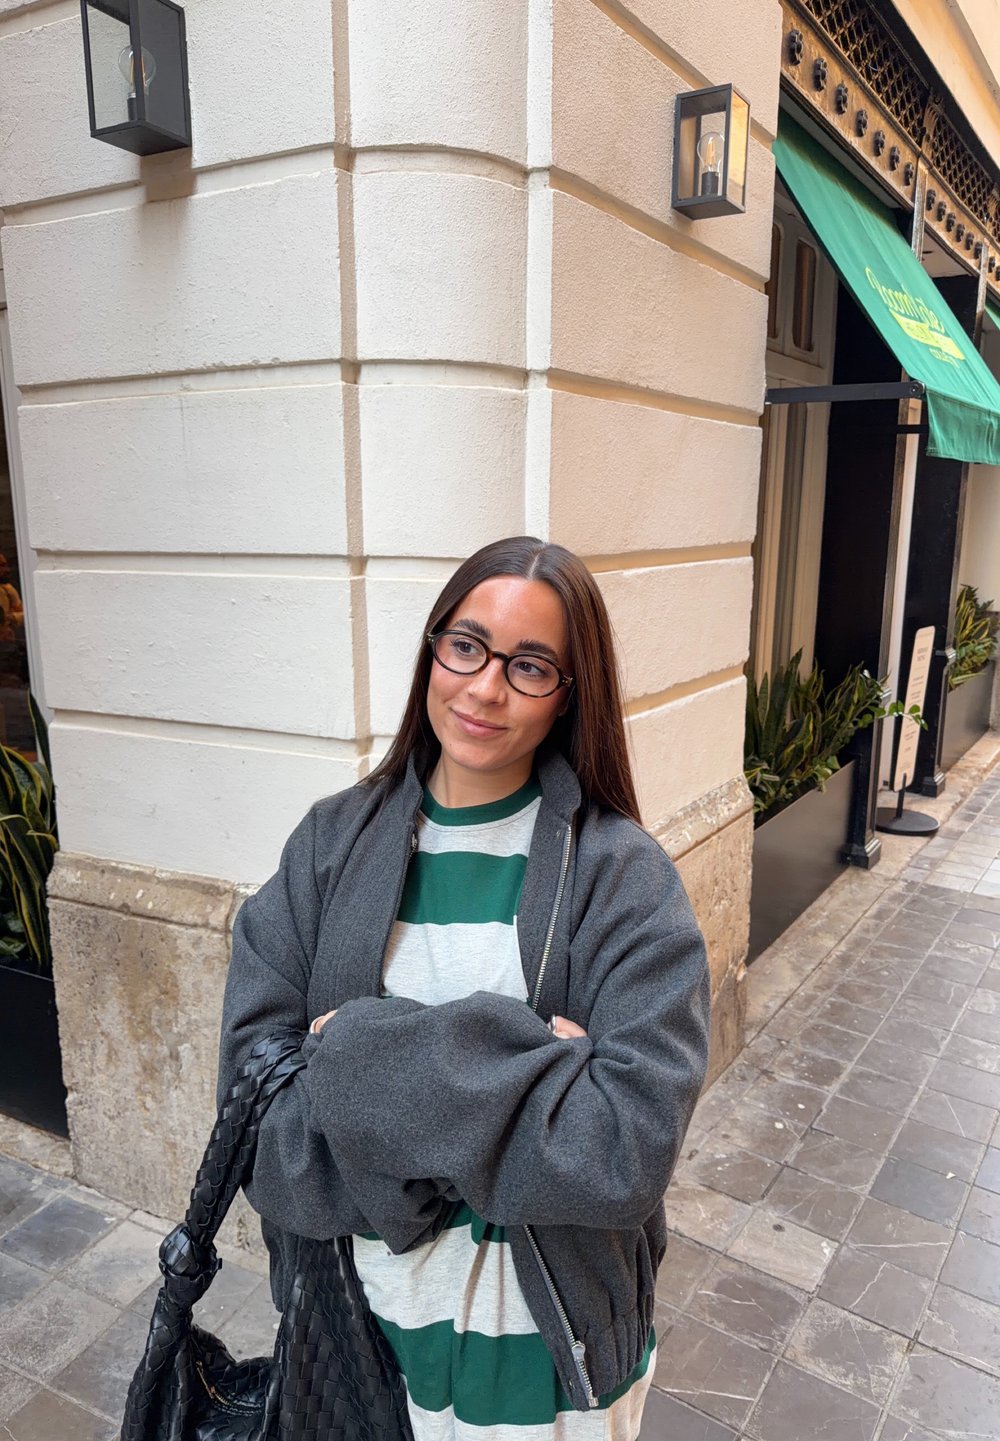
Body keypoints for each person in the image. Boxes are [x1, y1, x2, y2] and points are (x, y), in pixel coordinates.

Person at [217, 535, 711, 1440]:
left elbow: (622, 1149)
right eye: (467, 646)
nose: (485, 687)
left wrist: (352, 1052)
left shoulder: (623, 877)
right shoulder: (325, 849)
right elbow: (259, 1124)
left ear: (569, 694)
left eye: (530, 666)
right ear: (434, 648)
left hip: (549, 1367)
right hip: (352, 1345)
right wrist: (533, 1068)